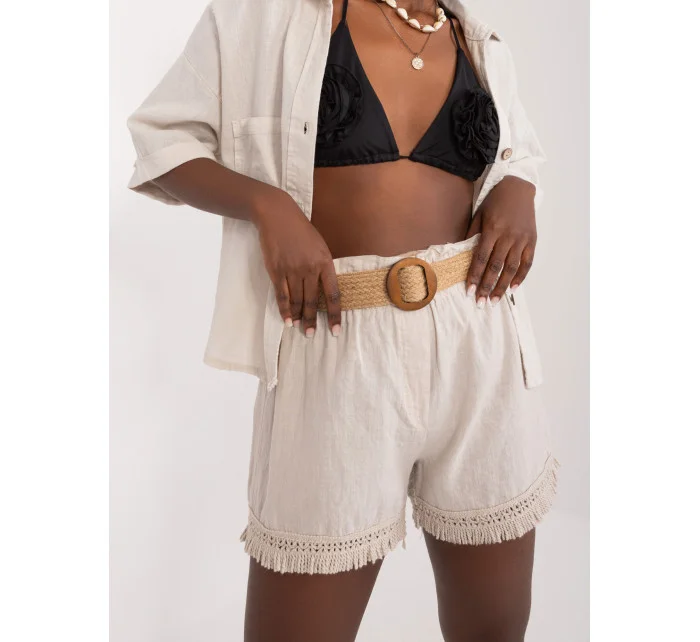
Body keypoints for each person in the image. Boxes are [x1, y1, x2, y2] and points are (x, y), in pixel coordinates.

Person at [126, 0, 559, 640]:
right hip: (332, 338)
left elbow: (517, 154)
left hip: (479, 335)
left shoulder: (477, 41)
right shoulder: (266, 17)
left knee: (494, 629)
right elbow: (162, 139)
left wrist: (518, 187)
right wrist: (269, 207)